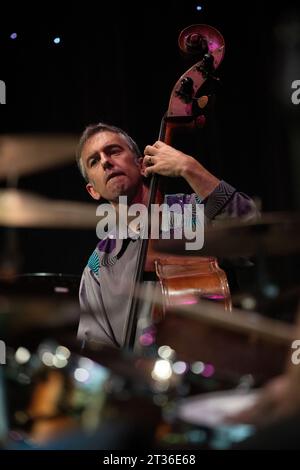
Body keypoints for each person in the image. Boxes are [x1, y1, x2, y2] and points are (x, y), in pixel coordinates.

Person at [76, 122, 257, 348]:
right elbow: (97, 352)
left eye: (114, 151)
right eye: (94, 160)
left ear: (142, 165)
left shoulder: (194, 212)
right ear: (92, 190)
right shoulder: (97, 266)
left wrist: (189, 167)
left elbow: (253, 232)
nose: (105, 161)